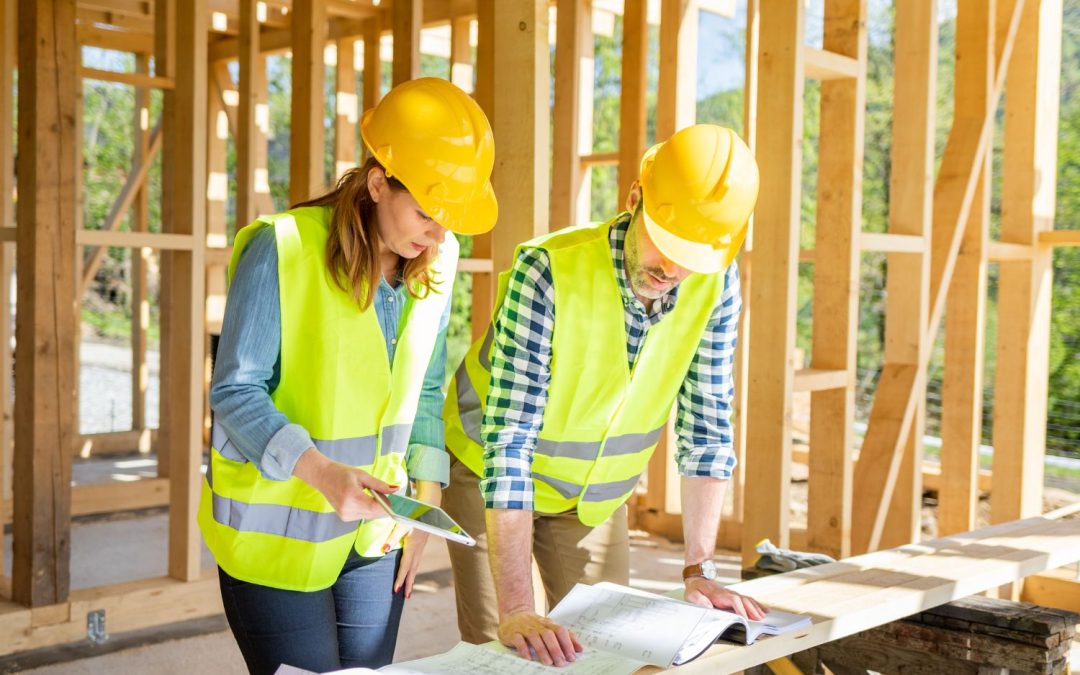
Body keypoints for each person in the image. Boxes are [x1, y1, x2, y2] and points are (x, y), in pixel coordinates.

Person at [198, 77, 496, 675]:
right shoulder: (281, 249)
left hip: (375, 534)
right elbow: (235, 391)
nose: (436, 236)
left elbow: (427, 389)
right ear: (379, 181)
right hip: (276, 539)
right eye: (426, 214)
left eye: (450, 221)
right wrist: (323, 473)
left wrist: (426, 501)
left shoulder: (437, 255)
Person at [443, 124, 766, 667]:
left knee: (605, 658)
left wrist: (698, 569)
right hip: (488, 475)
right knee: (505, 653)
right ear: (633, 199)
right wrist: (519, 607)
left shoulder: (716, 282)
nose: (673, 270)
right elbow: (510, 440)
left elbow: (707, 428)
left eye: (693, 257)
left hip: (591, 499)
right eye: (667, 245)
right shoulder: (548, 268)